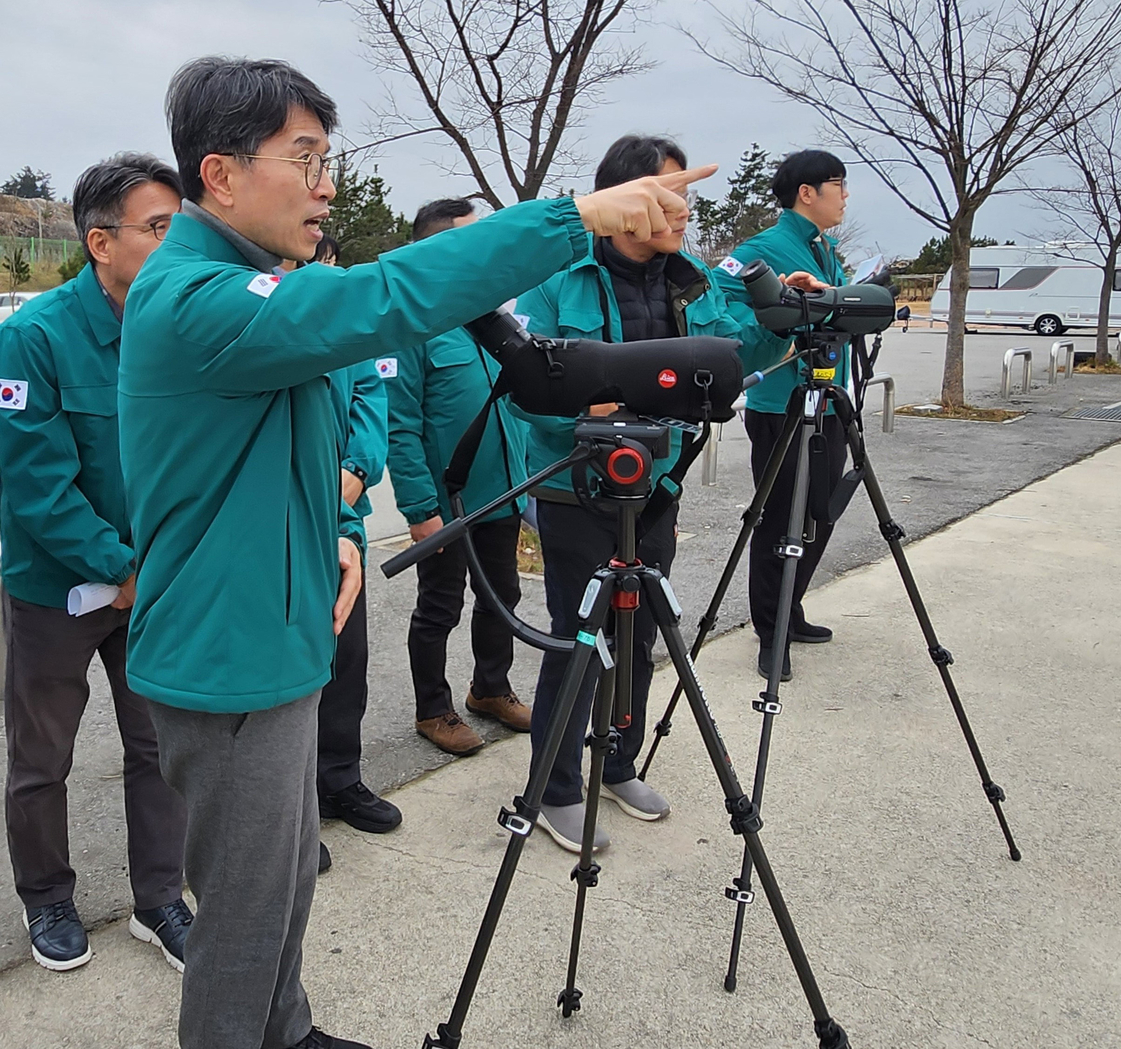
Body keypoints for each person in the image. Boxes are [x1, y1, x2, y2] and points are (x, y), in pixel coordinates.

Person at [116, 57, 711, 1049]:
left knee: (288, 878)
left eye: (327, 157)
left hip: (282, 629)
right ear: (219, 176)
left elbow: (301, 446)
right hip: (229, 661)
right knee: (246, 908)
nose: (327, 184)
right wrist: (576, 219)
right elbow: (390, 296)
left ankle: (287, 1027)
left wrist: (344, 536)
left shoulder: (259, 287)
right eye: (303, 157)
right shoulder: (195, 299)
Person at [516, 135, 811, 854]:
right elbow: (525, 387)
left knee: (643, 632)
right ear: (624, 202)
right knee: (578, 639)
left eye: (686, 196)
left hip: (658, 486)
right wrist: (589, 413)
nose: (683, 211)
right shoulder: (556, 278)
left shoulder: (695, 280)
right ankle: (553, 787)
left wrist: (786, 323)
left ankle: (617, 761)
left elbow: (730, 360)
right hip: (575, 490)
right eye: (669, 195)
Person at [0, 154, 190, 973]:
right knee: (43, 755)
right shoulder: (31, 338)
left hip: (150, 583)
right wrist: (121, 566)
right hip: (54, 591)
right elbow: (35, 483)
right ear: (100, 243)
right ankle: (47, 895)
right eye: (158, 230)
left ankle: (159, 897)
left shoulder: (173, 329)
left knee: (159, 744)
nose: (175, 246)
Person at [386, 199, 533, 758]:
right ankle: (433, 709)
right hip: (447, 506)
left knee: (504, 598)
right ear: (441, 249)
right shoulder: (414, 326)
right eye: (474, 239)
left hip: (505, 495)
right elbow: (400, 428)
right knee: (439, 608)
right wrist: (420, 510)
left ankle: (490, 689)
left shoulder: (495, 322)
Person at [712, 150, 852, 682]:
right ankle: (770, 631)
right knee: (780, 518)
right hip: (782, 405)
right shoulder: (763, 249)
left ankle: (790, 611)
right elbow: (721, 304)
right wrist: (778, 309)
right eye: (838, 185)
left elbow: (840, 307)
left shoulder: (824, 249)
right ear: (806, 192)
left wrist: (829, 295)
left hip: (828, 394)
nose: (845, 196)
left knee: (820, 510)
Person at [309, 234, 401, 874]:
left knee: (347, 660)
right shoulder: (257, 313)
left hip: (343, 521)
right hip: (279, 524)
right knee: (288, 675)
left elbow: (372, 397)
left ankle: (339, 778)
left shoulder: (348, 329)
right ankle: (287, 813)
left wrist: (359, 467)